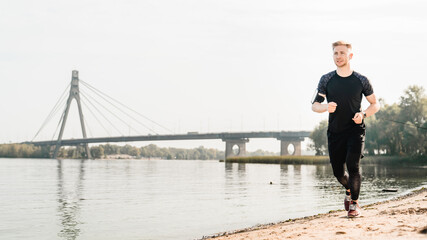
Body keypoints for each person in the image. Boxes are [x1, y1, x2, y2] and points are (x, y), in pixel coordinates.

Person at [311, 40, 380, 218]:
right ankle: (349, 189)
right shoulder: (326, 79)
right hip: (335, 132)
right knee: (338, 172)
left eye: (342, 53)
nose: (338, 56)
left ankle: (354, 205)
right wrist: (326, 107)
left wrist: (363, 114)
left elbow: (375, 104)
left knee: (353, 166)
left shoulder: (361, 80)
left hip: (355, 130)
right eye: (335, 53)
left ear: (350, 55)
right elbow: (315, 105)